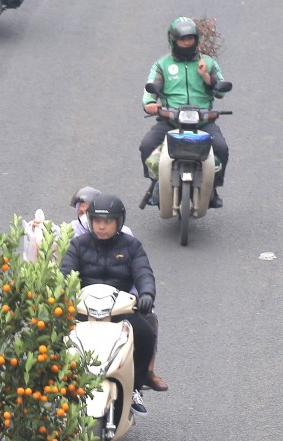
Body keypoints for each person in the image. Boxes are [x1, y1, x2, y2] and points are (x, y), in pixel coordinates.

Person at [60, 193, 166, 412]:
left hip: (119, 311)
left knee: (146, 334)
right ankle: (56, 388)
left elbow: (144, 273)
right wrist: (61, 293)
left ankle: (135, 386)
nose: (101, 226)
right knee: (56, 338)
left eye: (107, 222)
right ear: (90, 221)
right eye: (97, 221)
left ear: (119, 222)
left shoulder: (132, 246)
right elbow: (64, 273)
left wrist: (146, 294)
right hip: (83, 310)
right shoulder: (78, 245)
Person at [139, 16, 230, 208]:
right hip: (171, 119)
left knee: (221, 148)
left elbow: (221, 91)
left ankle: (213, 188)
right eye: (182, 39)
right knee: (147, 145)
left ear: (196, 39)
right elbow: (151, 89)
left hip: (203, 119)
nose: (187, 43)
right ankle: (156, 181)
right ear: (173, 40)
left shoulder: (208, 63)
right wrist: (149, 104)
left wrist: (205, 75)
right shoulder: (162, 65)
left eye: (190, 39)